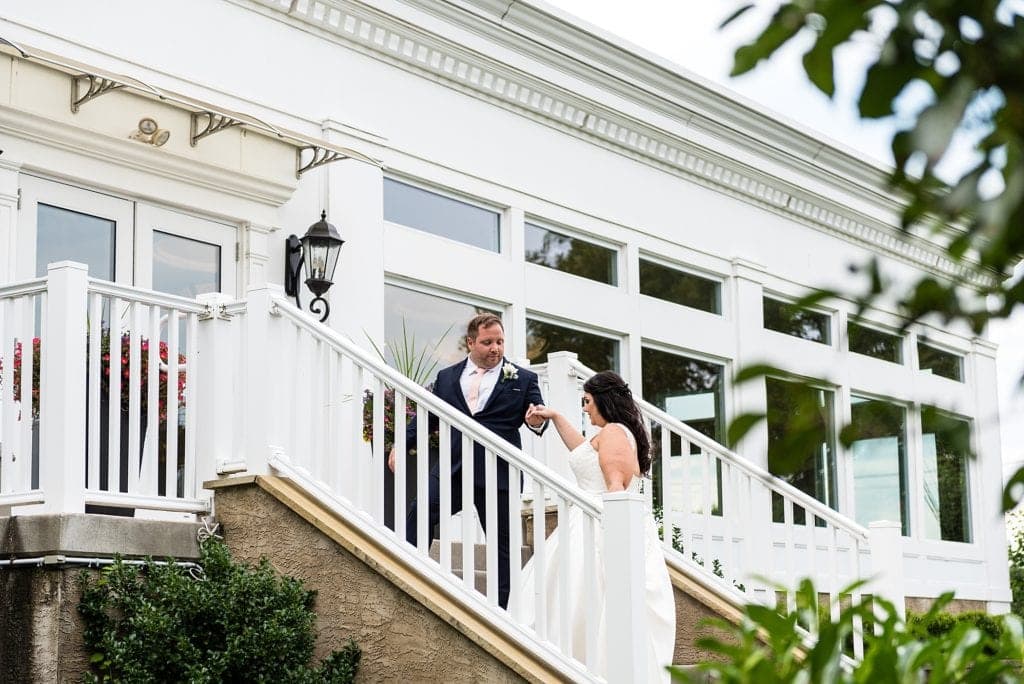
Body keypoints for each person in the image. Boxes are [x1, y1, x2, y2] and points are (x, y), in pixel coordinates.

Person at [519, 370, 675, 682]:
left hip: (599, 525)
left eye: (587, 401)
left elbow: (615, 485)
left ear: (603, 400)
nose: (585, 408)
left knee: (585, 596)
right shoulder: (612, 432)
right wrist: (555, 417)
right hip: (587, 520)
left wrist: (612, 538)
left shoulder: (615, 432)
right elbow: (582, 454)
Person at [389, 313, 547, 609]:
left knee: (503, 546)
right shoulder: (447, 378)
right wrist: (402, 444)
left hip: (499, 474)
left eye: (500, 342)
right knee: (420, 511)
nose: (495, 348)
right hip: (453, 469)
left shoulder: (523, 379)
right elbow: (429, 416)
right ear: (471, 342)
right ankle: (409, 575)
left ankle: (502, 610)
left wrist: (536, 420)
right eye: (488, 342)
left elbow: (537, 418)